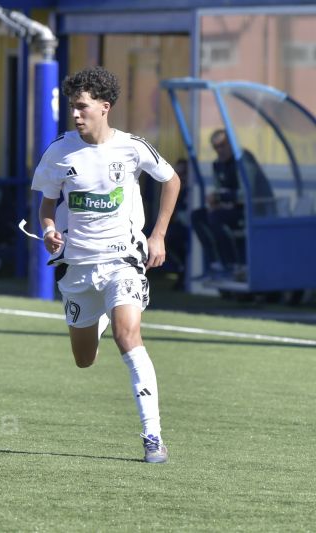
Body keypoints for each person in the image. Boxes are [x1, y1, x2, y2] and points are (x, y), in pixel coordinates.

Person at [31, 66, 181, 463]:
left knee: (127, 335)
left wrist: (159, 235)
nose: (75, 114)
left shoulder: (133, 147)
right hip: (78, 266)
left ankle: (153, 437)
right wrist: (49, 229)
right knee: (84, 360)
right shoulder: (59, 151)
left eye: (82, 107)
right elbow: (47, 204)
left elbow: (171, 180)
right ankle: (96, 318)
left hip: (123, 260)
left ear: (104, 107)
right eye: (72, 107)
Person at [191, 129, 274, 276]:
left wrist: (221, 198)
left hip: (252, 211)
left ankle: (232, 263)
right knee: (197, 215)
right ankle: (215, 262)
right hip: (230, 209)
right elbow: (219, 190)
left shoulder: (242, 160)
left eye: (223, 145)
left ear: (231, 143)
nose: (220, 150)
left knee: (215, 217)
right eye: (216, 147)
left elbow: (247, 193)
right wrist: (216, 201)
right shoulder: (217, 164)